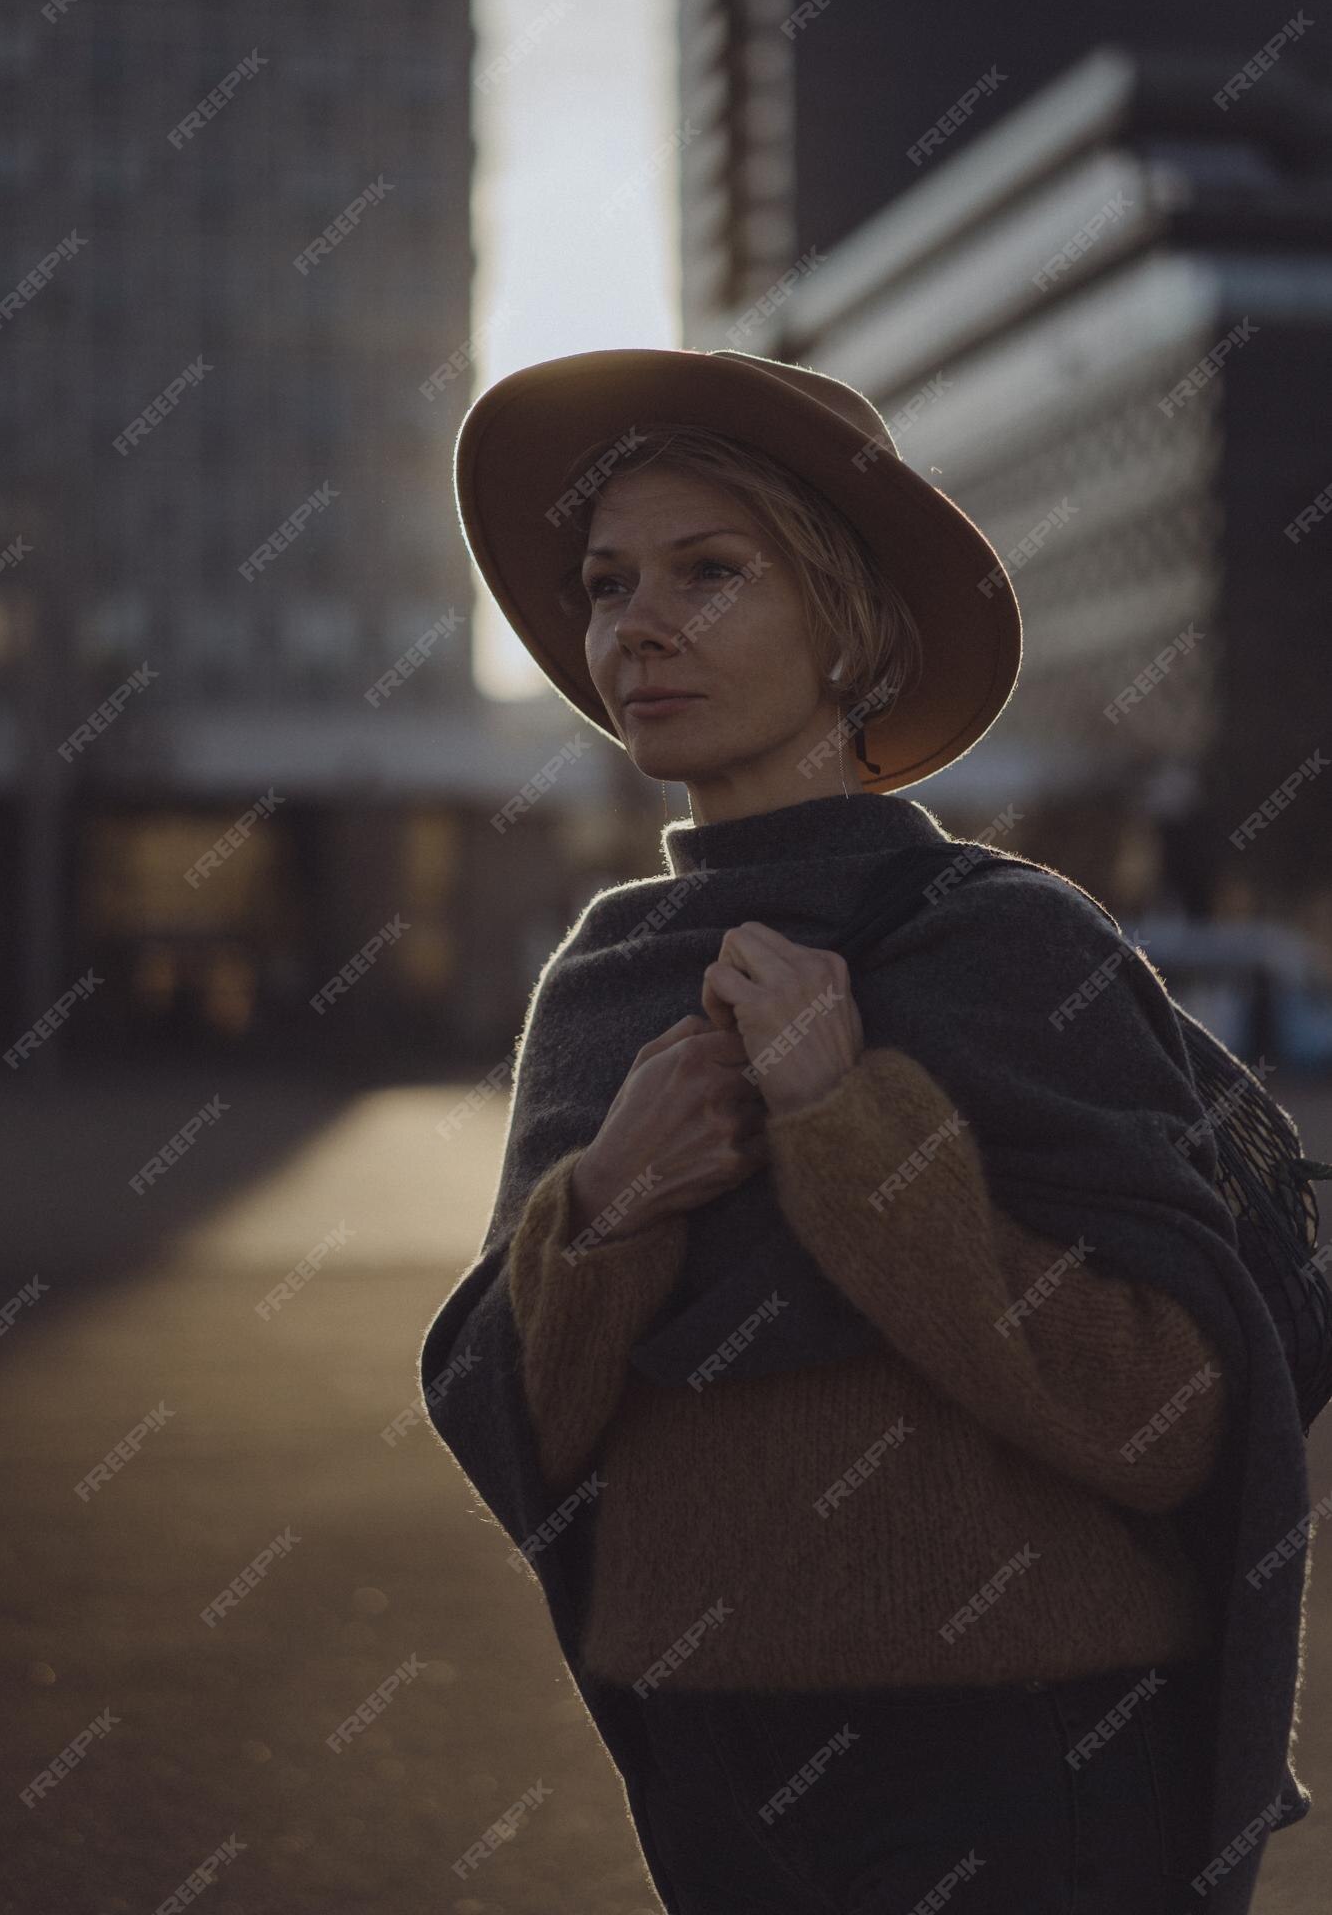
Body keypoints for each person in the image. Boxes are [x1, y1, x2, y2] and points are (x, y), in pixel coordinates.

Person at [419, 348, 1312, 1914]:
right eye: (606, 581)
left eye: (708, 571)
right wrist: (613, 1202)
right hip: (707, 1771)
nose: (636, 624)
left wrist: (850, 1126)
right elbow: (511, 1428)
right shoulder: (605, 987)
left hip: (1028, 1772)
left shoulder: (1015, 946)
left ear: (849, 624)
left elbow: (1171, 1413)